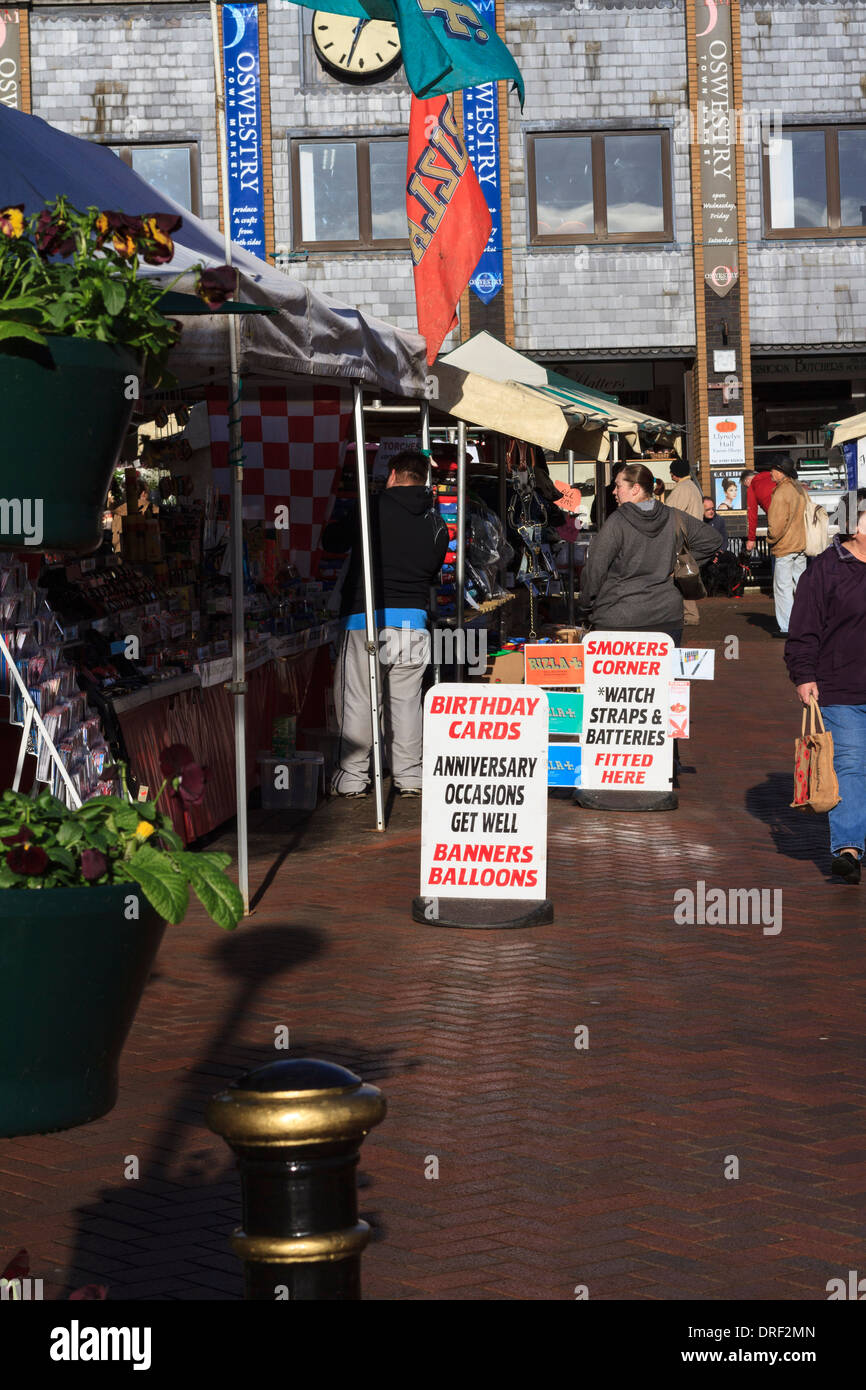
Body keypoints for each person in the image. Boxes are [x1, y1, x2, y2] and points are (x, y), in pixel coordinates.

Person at [322, 449, 449, 798]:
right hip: (414, 623)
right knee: (407, 703)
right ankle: (410, 775)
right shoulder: (437, 523)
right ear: (423, 480)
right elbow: (434, 568)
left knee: (360, 699)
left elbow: (331, 542)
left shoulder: (371, 507)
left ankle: (351, 777)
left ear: (393, 475)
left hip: (368, 617)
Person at [784, 495, 866, 884]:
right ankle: (848, 850)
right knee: (850, 766)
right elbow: (803, 629)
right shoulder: (826, 570)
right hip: (841, 687)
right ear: (856, 525)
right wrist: (804, 675)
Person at [580, 462, 722, 648]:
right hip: (666, 617)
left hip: (619, 617)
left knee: (621, 677)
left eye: (618, 486)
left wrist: (585, 605)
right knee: (663, 676)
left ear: (635, 489)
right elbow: (713, 540)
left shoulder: (617, 522)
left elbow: (595, 569)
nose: (614, 491)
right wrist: (677, 564)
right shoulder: (674, 516)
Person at [767, 453, 808, 639]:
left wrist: (770, 539)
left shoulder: (781, 492)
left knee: (783, 588)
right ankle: (805, 622)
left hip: (785, 546)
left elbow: (775, 526)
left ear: (782, 473)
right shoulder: (799, 489)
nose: (770, 472)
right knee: (801, 586)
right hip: (801, 544)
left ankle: (787, 626)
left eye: (774, 469)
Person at [665, 457, 705, 626]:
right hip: (693, 537)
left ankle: (689, 615)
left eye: (671, 471)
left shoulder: (682, 488)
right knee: (684, 576)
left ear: (675, 474)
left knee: (680, 576)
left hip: (682, 539)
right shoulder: (693, 487)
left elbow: (670, 513)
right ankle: (688, 614)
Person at [746, 460, 778, 556]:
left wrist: (751, 539)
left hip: (775, 521)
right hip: (796, 518)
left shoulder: (752, 486)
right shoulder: (773, 476)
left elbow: (752, 516)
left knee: (776, 553)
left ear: (747, 480)